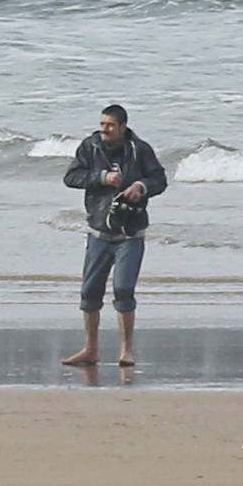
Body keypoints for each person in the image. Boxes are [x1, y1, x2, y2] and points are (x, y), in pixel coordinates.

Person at [61, 104, 167, 368]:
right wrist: (101, 177)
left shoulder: (140, 149)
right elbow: (71, 177)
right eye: (102, 124)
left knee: (123, 290)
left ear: (122, 127)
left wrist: (141, 187)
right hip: (98, 230)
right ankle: (90, 349)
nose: (104, 130)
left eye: (109, 125)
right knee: (89, 292)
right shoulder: (90, 147)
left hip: (130, 233)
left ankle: (126, 350)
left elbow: (160, 179)